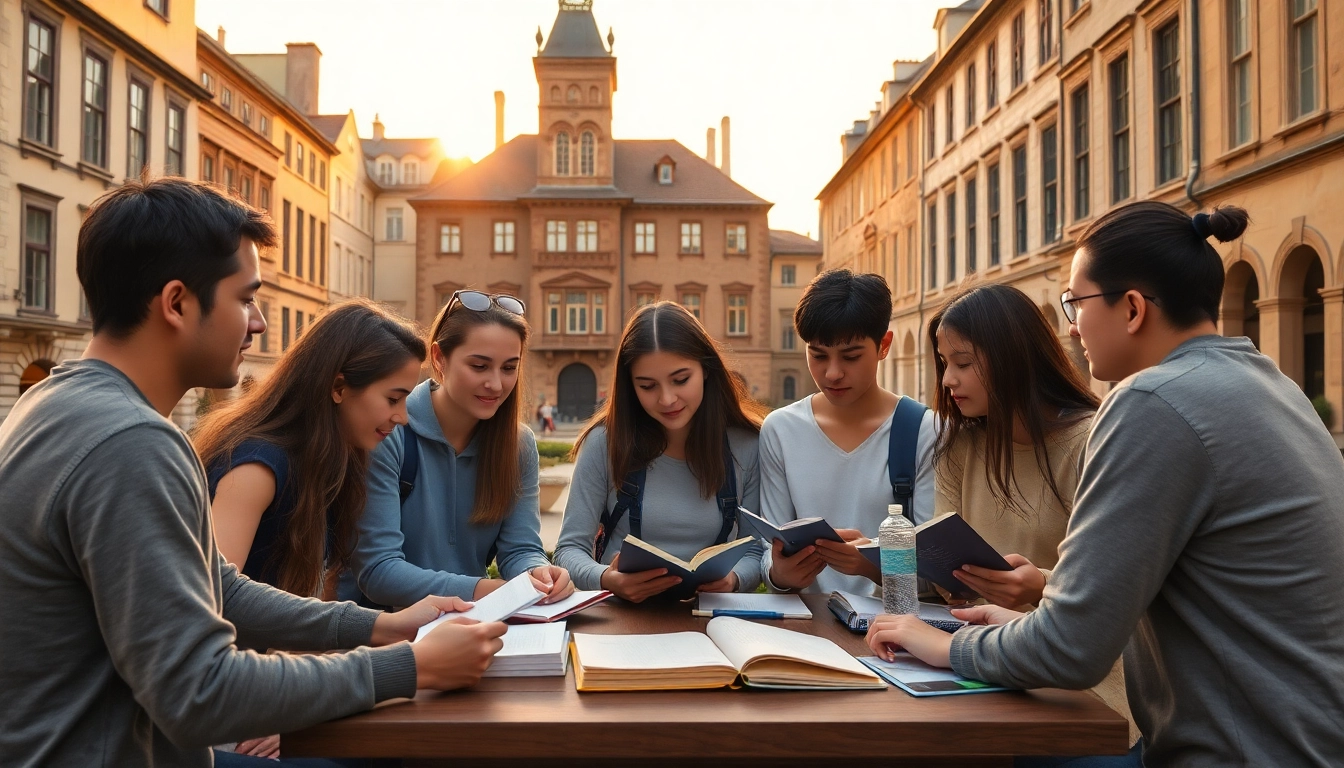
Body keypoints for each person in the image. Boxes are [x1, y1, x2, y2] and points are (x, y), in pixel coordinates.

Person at [0, 178, 505, 768]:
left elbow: (219, 585)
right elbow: (199, 691)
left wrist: (383, 627)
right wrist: (410, 666)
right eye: (245, 299)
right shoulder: (132, 443)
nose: (260, 323)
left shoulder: (56, 402)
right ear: (177, 303)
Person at [867, 202, 1344, 767]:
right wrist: (1033, 609)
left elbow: (1071, 650)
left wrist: (943, 644)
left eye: (1076, 303)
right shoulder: (1272, 385)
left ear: (1133, 308)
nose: (1070, 326)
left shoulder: (1151, 401)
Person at [193, 300, 425, 763]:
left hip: (262, 686)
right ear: (339, 387)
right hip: (212, 712)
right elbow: (211, 611)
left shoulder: (335, 466)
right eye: (394, 398)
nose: (402, 418)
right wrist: (283, 710)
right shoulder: (256, 465)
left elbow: (303, 613)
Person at [928, 283, 1139, 764]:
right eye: (944, 365)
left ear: (1011, 356)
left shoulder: (1094, 441)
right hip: (980, 671)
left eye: (962, 363)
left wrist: (1038, 586)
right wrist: (875, 559)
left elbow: (1122, 594)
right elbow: (945, 563)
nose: (947, 381)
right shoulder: (961, 445)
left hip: (1086, 694)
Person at [345, 290, 573, 607]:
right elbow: (378, 572)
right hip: (385, 636)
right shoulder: (390, 430)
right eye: (479, 366)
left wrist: (540, 573)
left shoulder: (519, 445)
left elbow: (520, 549)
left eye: (509, 368)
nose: (496, 384)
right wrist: (490, 591)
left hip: (469, 626)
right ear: (439, 358)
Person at [553, 302, 766, 600]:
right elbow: (568, 550)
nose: (667, 399)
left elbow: (756, 548)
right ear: (630, 386)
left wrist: (734, 579)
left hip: (710, 620)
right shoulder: (604, 441)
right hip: (622, 622)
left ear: (706, 370)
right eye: (647, 386)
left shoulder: (747, 445)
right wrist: (605, 578)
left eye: (681, 380)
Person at [759, 269, 936, 595]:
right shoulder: (781, 430)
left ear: (884, 345)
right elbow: (768, 552)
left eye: (851, 356)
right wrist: (780, 574)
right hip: (806, 631)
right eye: (818, 355)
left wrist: (869, 564)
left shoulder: (925, 431)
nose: (833, 373)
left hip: (892, 633)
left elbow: (938, 569)